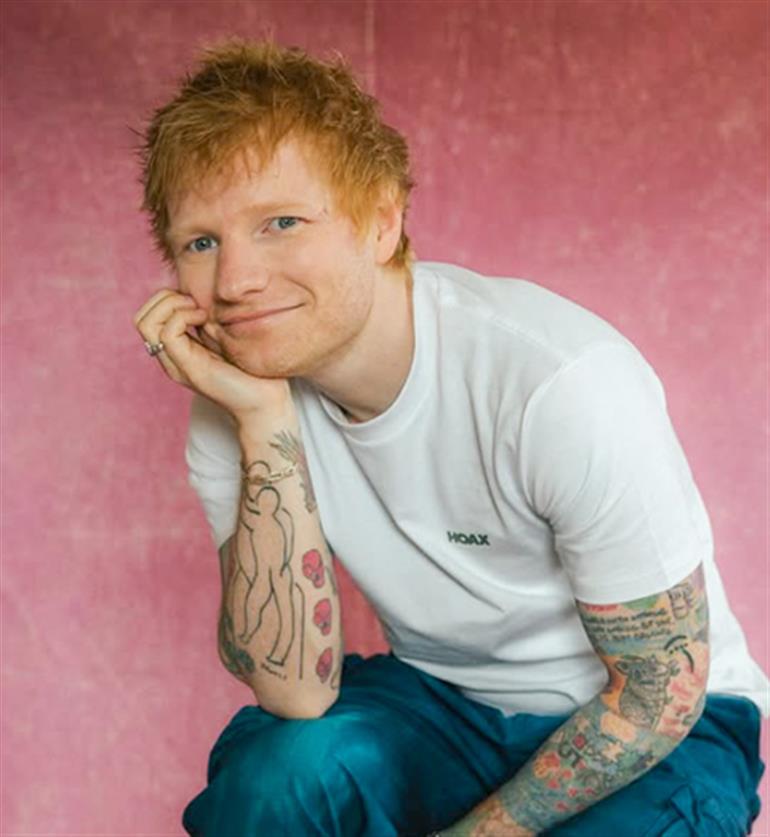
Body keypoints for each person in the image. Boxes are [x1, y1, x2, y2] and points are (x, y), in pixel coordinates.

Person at [133, 40, 768, 837]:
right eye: (201, 242)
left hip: (663, 728)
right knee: (276, 780)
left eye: (281, 223)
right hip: (446, 706)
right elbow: (295, 691)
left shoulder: (558, 382)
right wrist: (262, 420)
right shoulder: (235, 399)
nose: (235, 282)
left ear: (380, 221)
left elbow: (656, 695)